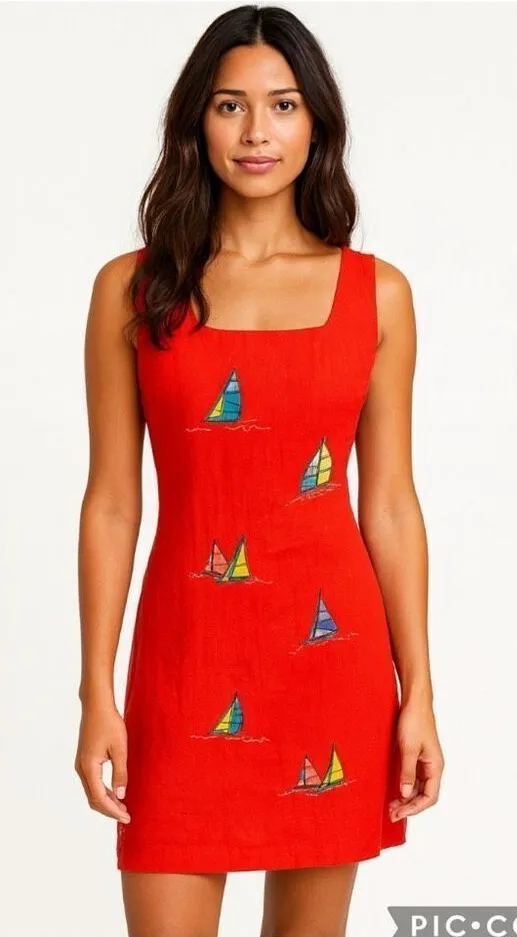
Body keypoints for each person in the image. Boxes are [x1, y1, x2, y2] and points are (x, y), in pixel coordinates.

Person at [75, 5, 444, 935]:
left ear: (316, 121)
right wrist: (95, 691)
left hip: (330, 669)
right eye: (229, 105)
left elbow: (389, 506)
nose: (255, 132)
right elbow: (112, 504)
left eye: (282, 105)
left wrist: (418, 692)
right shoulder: (133, 289)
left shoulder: (377, 294)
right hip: (184, 665)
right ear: (195, 122)